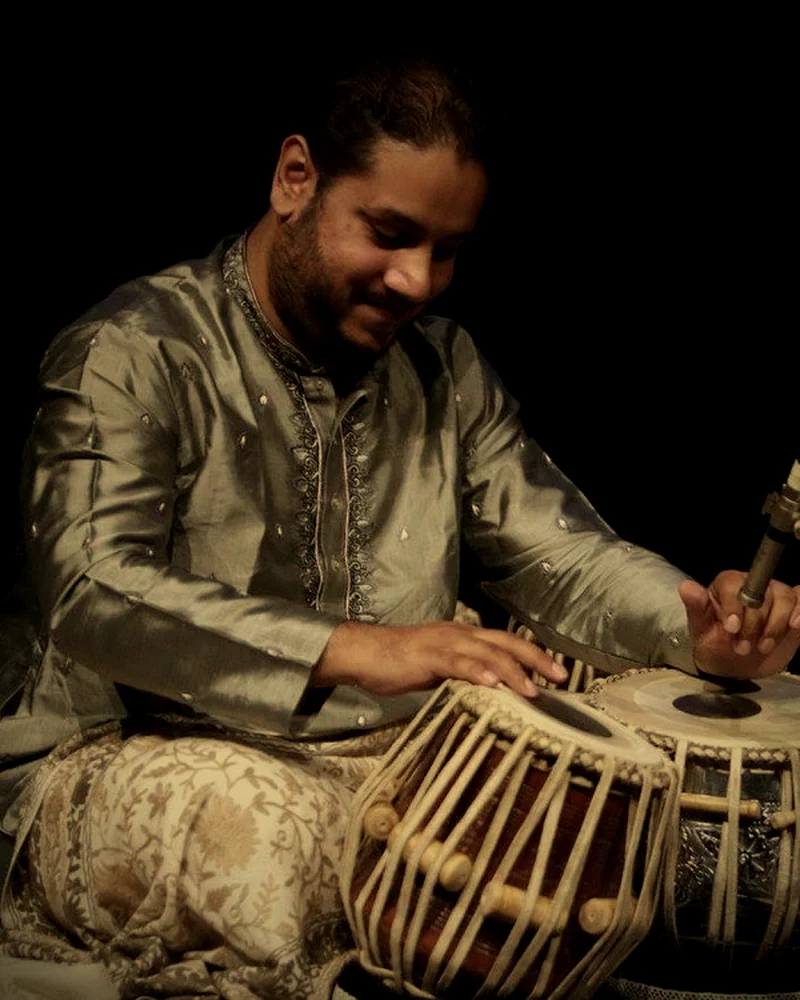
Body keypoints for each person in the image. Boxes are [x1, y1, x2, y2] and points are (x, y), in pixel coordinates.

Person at [1, 56, 797, 1000]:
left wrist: (695, 623)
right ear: (296, 178)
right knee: (264, 850)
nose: (417, 280)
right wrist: (356, 648)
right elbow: (94, 589)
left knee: (650, 764)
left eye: (448, 250)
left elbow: (564, 556)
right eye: (389, 234)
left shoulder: (442, 368)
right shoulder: (132, 354)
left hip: (405, 746)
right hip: (129, 748)